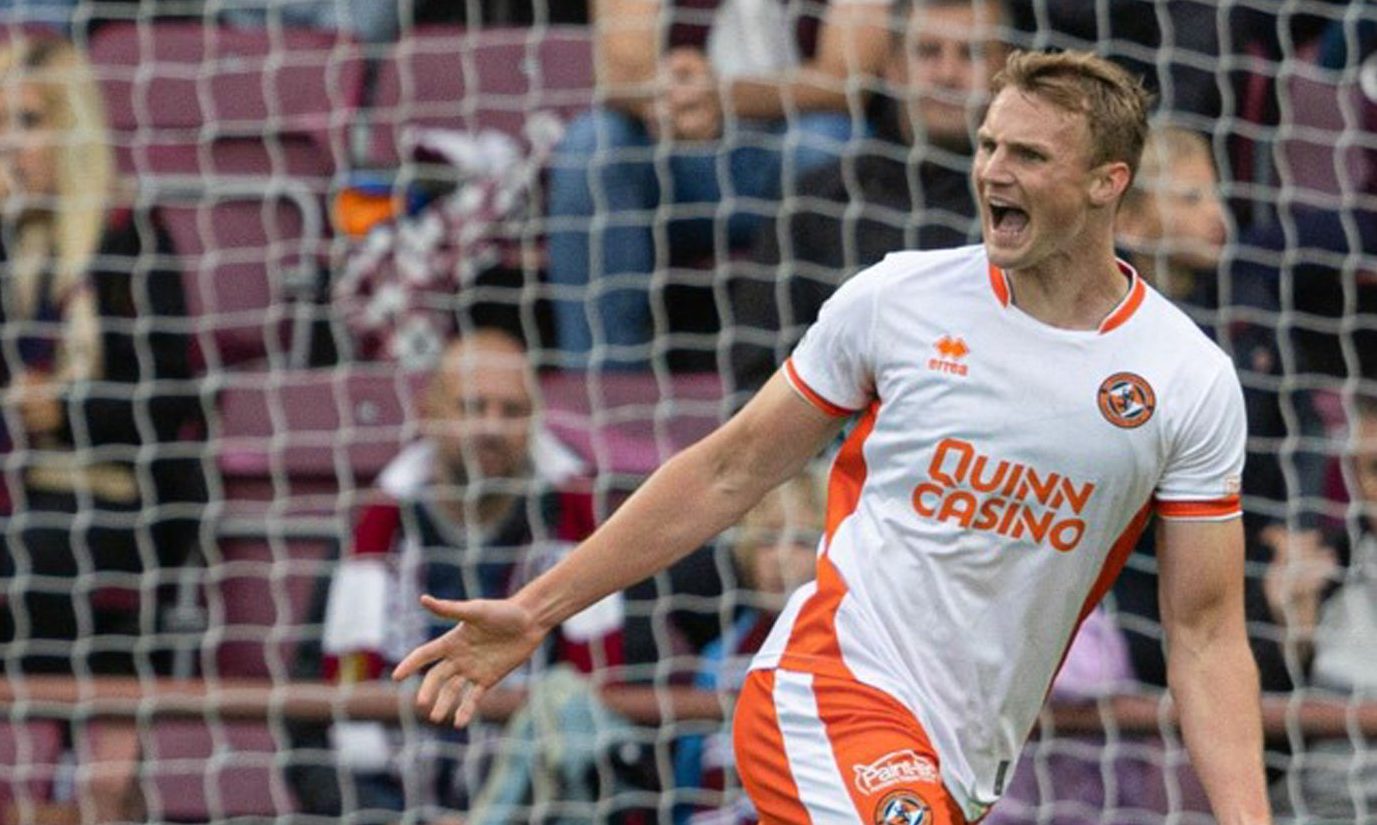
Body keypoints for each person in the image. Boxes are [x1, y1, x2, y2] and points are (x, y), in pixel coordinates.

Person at [394, 49, 1273, 824]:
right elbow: (727, 469)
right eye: (987, 146)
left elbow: (1203, 635)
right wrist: (535, 609)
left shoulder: (1183, 377)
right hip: (823, 695)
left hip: (959, 759)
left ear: (1107, 183)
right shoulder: (897, 300)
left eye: (1028, 155)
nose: (993, 173)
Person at [285, 328, 621, 817]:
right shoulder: (369, 541)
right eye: (472, 407)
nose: (490, 428)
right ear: (432, 413)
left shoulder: (580, 540)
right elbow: (309, 724)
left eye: (510, 412)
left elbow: (619, 698)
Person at [0, 35, 205, 823]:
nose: (12, 145)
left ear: (70, 130)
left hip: (129, 509)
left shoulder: (130, 239)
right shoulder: (20, 246)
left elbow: (168, 401)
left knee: (39, 553)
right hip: (39, 508)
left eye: (27, 121)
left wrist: (67, 411)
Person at [545, 0, 890, 371]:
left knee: (827, 142)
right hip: (673, 162)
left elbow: (847, 80)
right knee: (592, 144)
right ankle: (603, 385)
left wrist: (723, 96)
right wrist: (672, 92)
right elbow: (618, 72)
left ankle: (828, 384)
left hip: (791, 157)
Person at [725, 0, 1007, 404]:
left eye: (972, 54)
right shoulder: (819, 200)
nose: (947, 74)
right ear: (892, 67)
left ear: (1006, 70)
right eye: (928, 52)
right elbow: (756, 369)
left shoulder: (1029, 210)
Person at [672, 466, 825, 824]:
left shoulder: (843, 648)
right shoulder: (722, 653)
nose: (781, 557)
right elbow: (689, 769)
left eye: (802, 541)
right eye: (767, 541)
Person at [1263, 392, 1377, 819]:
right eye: (1372, 469)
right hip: (1316, 809)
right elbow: (1261, 752)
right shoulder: (1318, 571)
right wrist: (1294, 643)